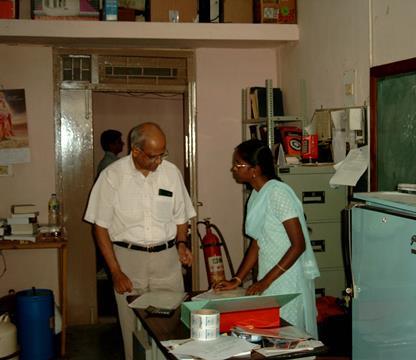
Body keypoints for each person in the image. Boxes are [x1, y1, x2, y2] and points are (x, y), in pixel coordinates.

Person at [84, 122, 196, 360]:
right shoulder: (112, 176)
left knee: (173, 328)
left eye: (163, 154)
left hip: (167, 260)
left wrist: (182, 244)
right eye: (154, 156)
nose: (159, 161)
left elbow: (181, 217)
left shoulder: (171, 173)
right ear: (135, 151)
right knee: (133, 331)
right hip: (128, 260)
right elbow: (100, 227)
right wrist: (115, 272)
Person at [214, 139, 320, 339]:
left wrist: (265, 282)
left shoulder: (278, 194)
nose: (233, 168)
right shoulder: (256, 194)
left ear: (255, 169)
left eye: (238, 164)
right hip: (269, 277)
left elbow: (298, 246)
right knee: (271, 336)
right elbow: (257, 242)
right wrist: (237, 279)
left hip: (286, 279)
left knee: (288, 337)